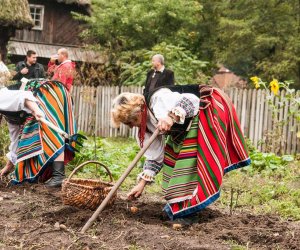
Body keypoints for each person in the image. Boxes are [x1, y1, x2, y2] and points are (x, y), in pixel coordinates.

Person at [111, 84, 251, 223]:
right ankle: (181, 207)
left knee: (189, 162)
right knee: (172, 161)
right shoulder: (145, 130)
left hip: (208, 107)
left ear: (138, 112)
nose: (130, 126)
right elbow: (155, 158)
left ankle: (188, 213)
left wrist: (171, 117)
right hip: (187, 126)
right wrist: (141, 184)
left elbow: (190, 101)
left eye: (130, 122)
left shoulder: (158, 100)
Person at [0, 79, 78, 187]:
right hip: (56, 91)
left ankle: (58, 177)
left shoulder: (1, 97)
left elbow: (23, 96)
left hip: (46, 92)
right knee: (54, 133)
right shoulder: (9, 117)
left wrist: (36, 110)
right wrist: (8, 166)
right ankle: (56, 175)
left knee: (51, 133)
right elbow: (15, 141)